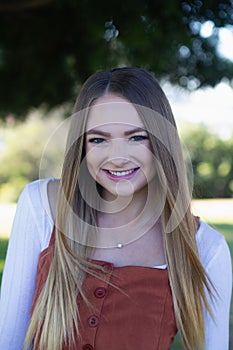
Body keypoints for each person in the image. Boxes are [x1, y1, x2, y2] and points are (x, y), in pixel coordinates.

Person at [0, 67, 232, 350]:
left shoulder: (206, 248)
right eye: (98, 139)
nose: (117, 157)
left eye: (136, 137)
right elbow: (7, 339)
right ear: (82, 147)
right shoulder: (40, 205)